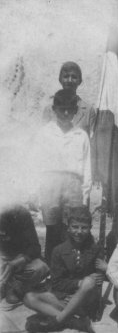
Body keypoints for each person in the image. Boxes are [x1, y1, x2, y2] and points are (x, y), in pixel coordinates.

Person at [29, 89, 92, 263]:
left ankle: (69, 268)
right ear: (54, 109)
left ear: (75, 111)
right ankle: (51, 266)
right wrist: (34, 190)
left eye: (69, 109)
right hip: (50, 184)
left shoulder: (81, 135)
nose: (65, 113)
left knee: (71, 227)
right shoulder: (44, 133)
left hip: (73, 185)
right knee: (52, 228)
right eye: (61, 109)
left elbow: (87, 166)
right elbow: (36, 162)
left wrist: (85, 194)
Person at [24, 206, 107, 333]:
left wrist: (105, 269)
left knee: (89, 281)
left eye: (84, 227)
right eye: (75, 227)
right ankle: (76, 322)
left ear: (90, 228)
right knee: (29, 297)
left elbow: (98, 281)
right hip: (64, 300)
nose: (79, 231)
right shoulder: (59, 250)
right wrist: (78, 283)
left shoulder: (96, 249)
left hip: (86, 302)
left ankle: (57, 321)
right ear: (68, 227)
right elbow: (57, 283)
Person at [0, 205, 49, 305]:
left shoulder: (20, 213)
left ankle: (13, 287)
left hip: (18, 257)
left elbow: (35, 247)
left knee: (41, 268)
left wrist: (21, 259)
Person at [42, 61, 96, 137]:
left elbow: (91, 140)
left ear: (79, 81)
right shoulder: (49, 109)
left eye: (74, 77)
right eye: (66, 76)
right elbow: (43, 138)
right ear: (60, 80)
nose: (70, 80)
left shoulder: (88, 111)